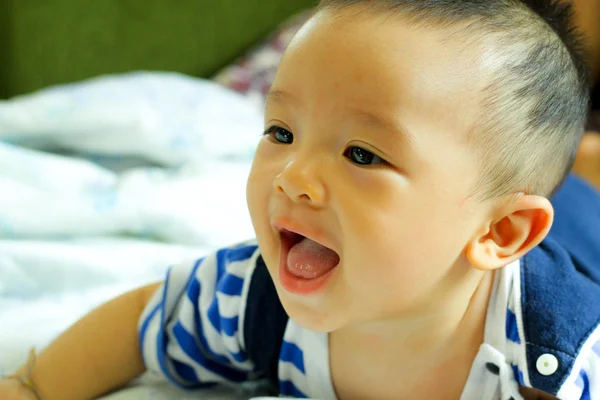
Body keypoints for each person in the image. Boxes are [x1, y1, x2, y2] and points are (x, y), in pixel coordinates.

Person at [1, 0, 599, 399]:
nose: (292, 177)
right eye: (281, 132)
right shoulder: (252, 297)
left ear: (499, 232)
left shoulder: (562, 363)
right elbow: (140, 321)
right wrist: (33, 386)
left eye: (362, 155)